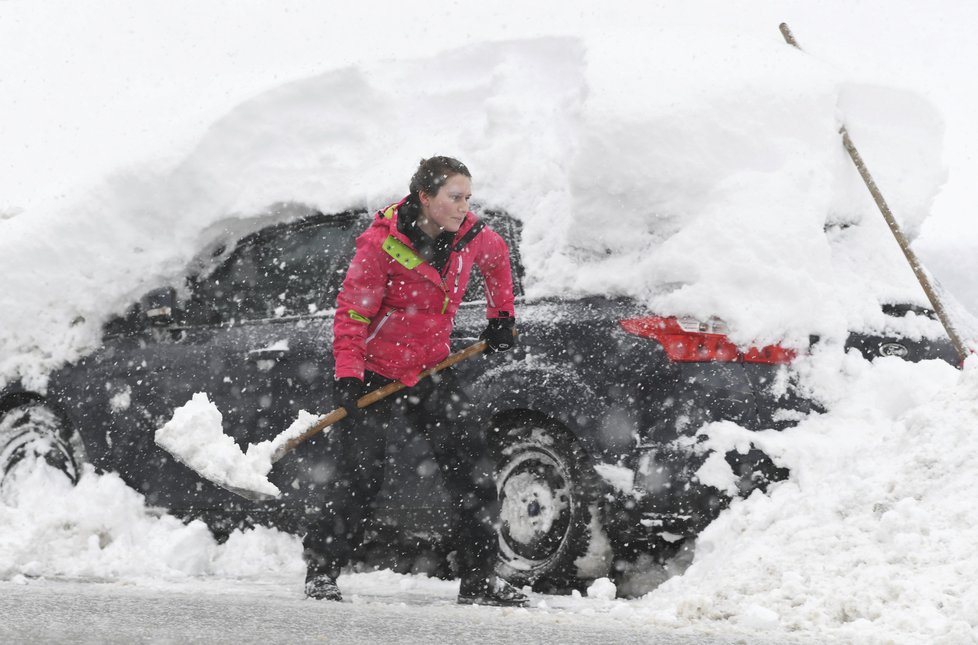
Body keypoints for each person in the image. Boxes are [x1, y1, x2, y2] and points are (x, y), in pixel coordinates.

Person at [302, 156, 527, 607]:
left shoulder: (471, 238)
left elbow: (498, 259)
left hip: (432, 369)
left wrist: (501, 316)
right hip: (374, 372)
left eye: (468, 196)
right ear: (425, 198)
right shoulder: (381, 246)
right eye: (454, 196)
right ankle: (322, 572)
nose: (465, 206)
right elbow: (352, 314)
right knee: (360, 476)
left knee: (473, 471)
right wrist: (348, 377)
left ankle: (480, 584)